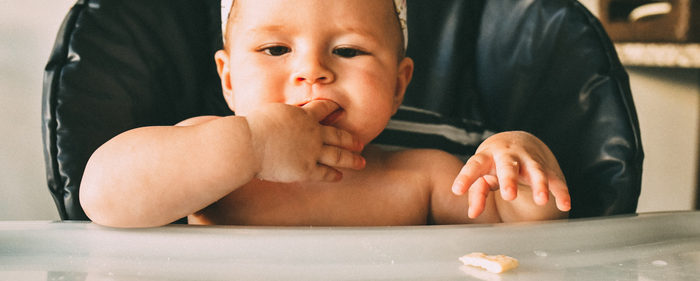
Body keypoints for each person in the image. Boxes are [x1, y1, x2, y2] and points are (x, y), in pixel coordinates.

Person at [79, 0, 571, 228]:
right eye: (274, 49)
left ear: (399, 85)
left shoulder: (418, 176)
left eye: (350, 51)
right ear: (228, 81)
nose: (312, 72)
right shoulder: (207, 151)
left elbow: (531, 228)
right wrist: (251, 145)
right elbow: (102, 196)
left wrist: (518, 159)